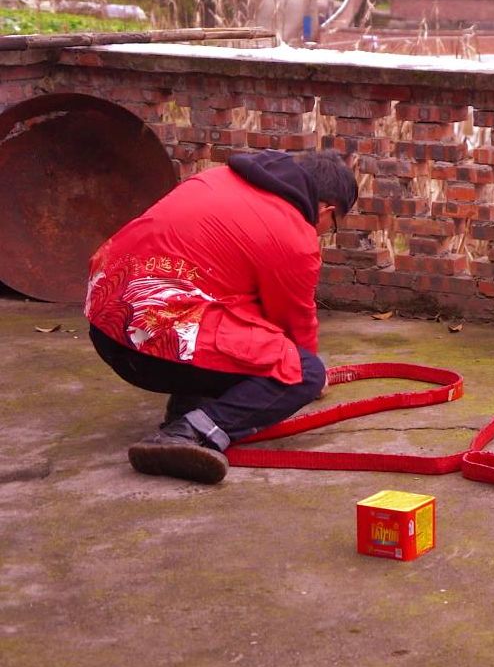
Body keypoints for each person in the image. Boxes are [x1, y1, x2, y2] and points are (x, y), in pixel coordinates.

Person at [85, 150, 358, 485]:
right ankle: (187, 435)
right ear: (326, 210)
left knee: (243, 325)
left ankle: (188, 408)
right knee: (301, 372)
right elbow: (293, 322)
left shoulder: (216, 178)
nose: (325, 231)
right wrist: (312, 375)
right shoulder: (293, 233)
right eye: (333, 225)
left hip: (104, 324)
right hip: (152, 345)